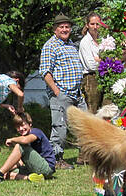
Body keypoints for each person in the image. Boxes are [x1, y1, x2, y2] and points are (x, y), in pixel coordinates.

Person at [39, 13, 86, 170]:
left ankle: (84, 156)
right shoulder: (50, 46)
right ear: (55, 29)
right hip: (61, 94)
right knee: (60, 129)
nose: (65, 29)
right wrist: (57, 92)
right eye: (61, 27)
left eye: (67, 27)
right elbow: (45, 72)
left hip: (77, 94)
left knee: (84, 124)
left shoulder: (72, 45)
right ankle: (57, 159)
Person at [0, 112, 56, 183]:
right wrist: (7, 169)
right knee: (9, 173)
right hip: (37, 168)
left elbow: (25, 140)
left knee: (20, 146)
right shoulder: (25, 140)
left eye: (23, 125)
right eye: (18, 127)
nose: (21, 128)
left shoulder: (36, 132)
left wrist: (12, 139)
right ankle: (30, 178)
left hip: (47, 167)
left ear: (30, 124)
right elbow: (20, 162)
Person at [79, 12, 103, 114]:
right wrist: (105, 62)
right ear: (87, 25)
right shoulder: (85, 42)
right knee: (92, 110)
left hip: (102, 76)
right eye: (92, 24)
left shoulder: (103, 40)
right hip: (91, 79)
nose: (95, 27)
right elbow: (91, 65)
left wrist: (99, 60)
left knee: (104, 110)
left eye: (97, 24)